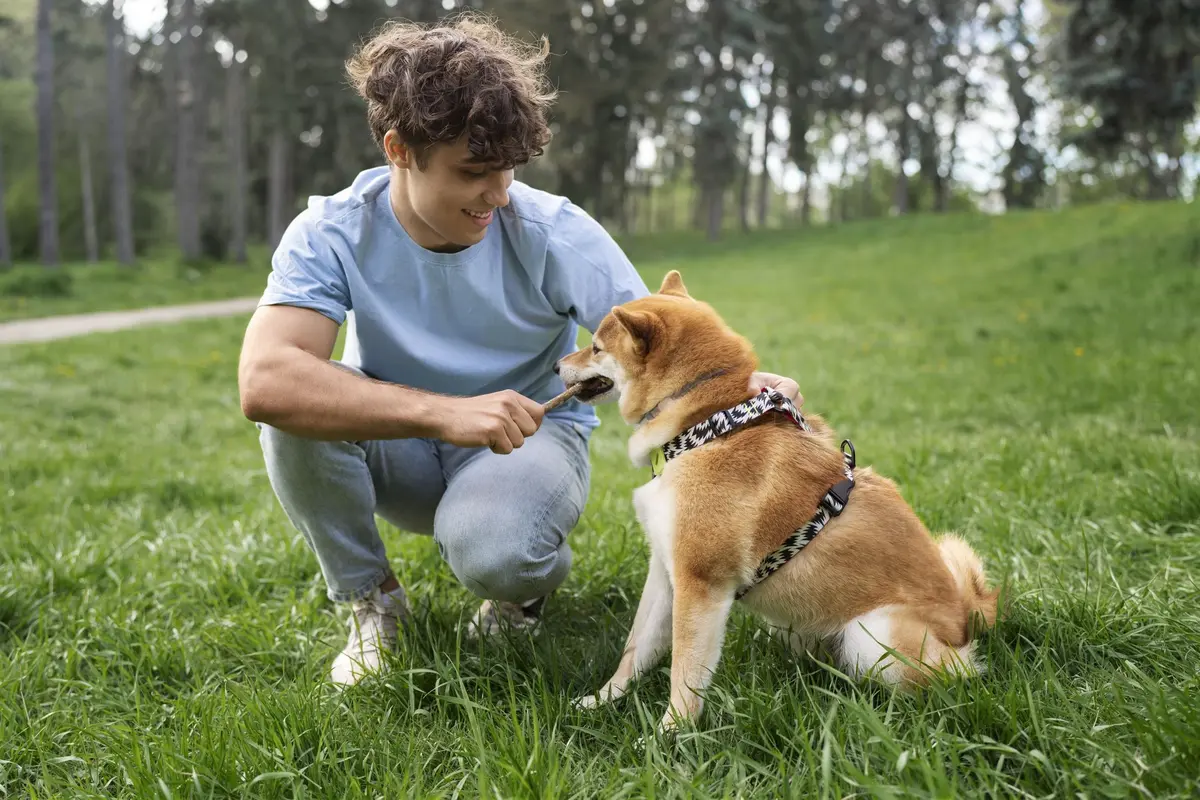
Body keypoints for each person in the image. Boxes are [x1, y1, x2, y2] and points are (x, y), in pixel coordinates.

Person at [236, 13, 801, 687]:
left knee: (494, 552)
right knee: (291, 419)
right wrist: (445, 413)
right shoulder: (329, 232)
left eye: (508, 170)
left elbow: (659, 346)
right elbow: (265, 381)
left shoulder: (554, 231)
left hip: (529, 441)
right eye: (474, 171)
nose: (499, 195)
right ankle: (373, 606)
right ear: (398, 150)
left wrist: (743, 390)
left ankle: (522, 588)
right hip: (402, 443)